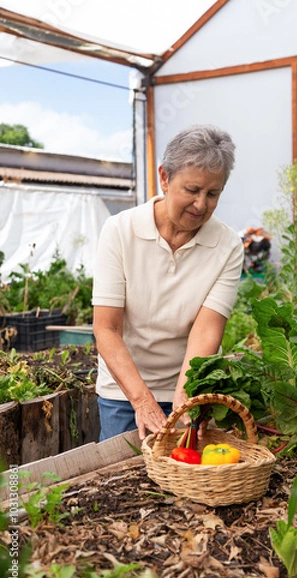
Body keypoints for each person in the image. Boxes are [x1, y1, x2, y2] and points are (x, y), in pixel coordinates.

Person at [92, 124, 244, 441]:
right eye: (192, 190)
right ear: (164, 178)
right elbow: (107, 328)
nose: (201, 204)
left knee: (181, 479)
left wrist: (185, 397)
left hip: (183, 384)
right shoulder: (119, 231)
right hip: (125, 391)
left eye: (212, 193)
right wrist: (142, 400)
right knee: (124, 482)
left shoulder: (227, 245)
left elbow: (207, 328)